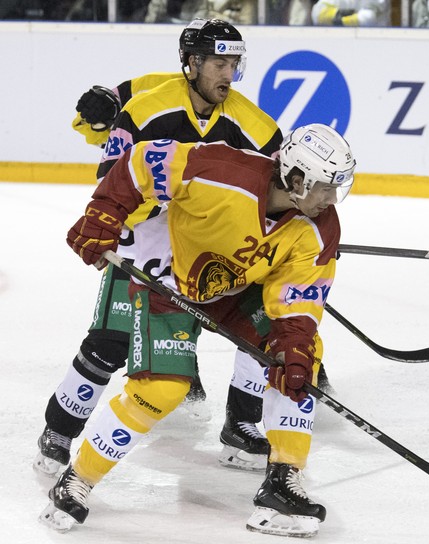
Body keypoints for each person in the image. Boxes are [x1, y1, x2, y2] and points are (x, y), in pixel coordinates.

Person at [40, 123, 355, 537]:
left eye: (338, 187)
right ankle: (77, 479)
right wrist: (104, 214)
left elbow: (297, 300)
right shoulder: (222, 171)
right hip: (165, 282)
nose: (332, 199)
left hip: (234, 293)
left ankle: (282, 482)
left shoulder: (321, 226)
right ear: (296, 179)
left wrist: (292, 346)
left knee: (298, 359)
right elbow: (139, 162)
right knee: (162, 390)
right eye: (325, 187)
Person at [35, 18, 284, 481]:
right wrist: (169, 205)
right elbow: (111, 178)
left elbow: (284, 187)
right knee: (109, 345)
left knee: (260, 325)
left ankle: (242, 422)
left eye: (233, 63)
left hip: (212, 251)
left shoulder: (251, 123)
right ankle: (60, 428)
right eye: (217, 62)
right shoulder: (147, 111)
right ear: (190, 63)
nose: (227, 74)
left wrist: (301, 237)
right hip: (147, 246)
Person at [311, 0, 389, 26]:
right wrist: (339, 14)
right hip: (340, 43)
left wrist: (340, 20)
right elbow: (316, 14)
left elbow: (368, 18)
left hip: (373, 44)